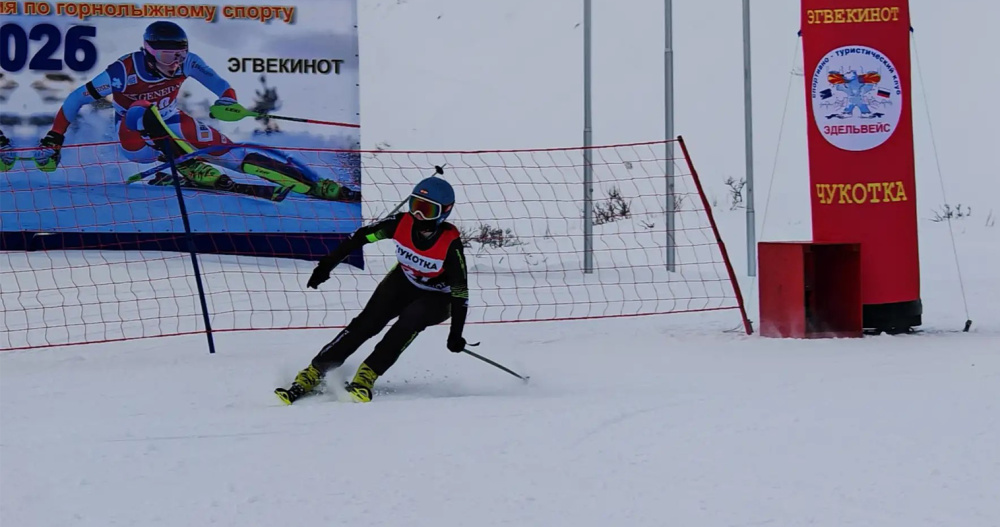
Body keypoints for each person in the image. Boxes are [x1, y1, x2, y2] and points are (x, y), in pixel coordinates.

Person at [32, 20, 353, 201]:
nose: (175, 61)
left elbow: (221, 86)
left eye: (180, 53)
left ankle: (314, 183)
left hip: (172, 123)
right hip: (135, 138)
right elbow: (75, 99)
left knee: (235, 153)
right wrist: (54, 138)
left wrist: (227, 100)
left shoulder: (188, 62)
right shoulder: (123, 70)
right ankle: (188, 165)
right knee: (141, 108)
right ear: (149, 51)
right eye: (167, 54)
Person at [275, 176, 470, 404]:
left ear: (443, 212)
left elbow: (460, 293)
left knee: (410, 320)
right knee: (367, 323)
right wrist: (326, 265)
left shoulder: (450, 245)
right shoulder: (399, 224)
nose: (418, 215)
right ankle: (315, 371)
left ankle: (368, 373)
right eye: (415, 206)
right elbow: (359, 237)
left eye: (427, 210)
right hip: (404, 281)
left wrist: (455, 334)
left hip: (439, 297)